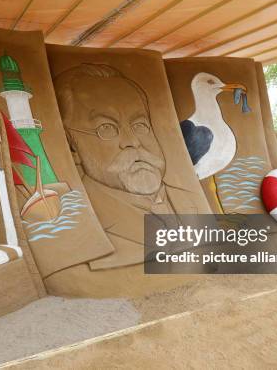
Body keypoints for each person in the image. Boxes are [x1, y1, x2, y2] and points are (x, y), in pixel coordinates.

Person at [54, 63, 195, 268]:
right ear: (72, 145)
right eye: (106, 127)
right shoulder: (80, 223)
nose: (132, 142)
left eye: (139, 125)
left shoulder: (189, 199)